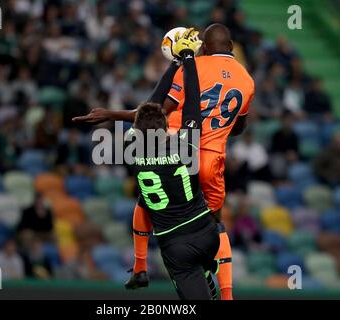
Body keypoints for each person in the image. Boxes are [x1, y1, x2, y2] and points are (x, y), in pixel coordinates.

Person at [73, 24, 255, 300]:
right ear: (231, 46)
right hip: (210, 160)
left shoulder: (139, 146)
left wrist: (111, 113)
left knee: (145, 201)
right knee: (216, 224)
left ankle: (141, 265)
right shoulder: (247, 80)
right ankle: (227, 293)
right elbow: (235, 124)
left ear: (204, 47)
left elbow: (156, 107)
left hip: (173, 165)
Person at [125, 29, 219, 299]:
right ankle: (205, 271)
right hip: (206, 231)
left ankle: (199, 275)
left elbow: (150, 105)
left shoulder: (131, 148)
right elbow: (192, 98)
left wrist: (177, 63)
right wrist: (186, 59)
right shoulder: (184, 143)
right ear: (166, 124)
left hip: (175, 244)